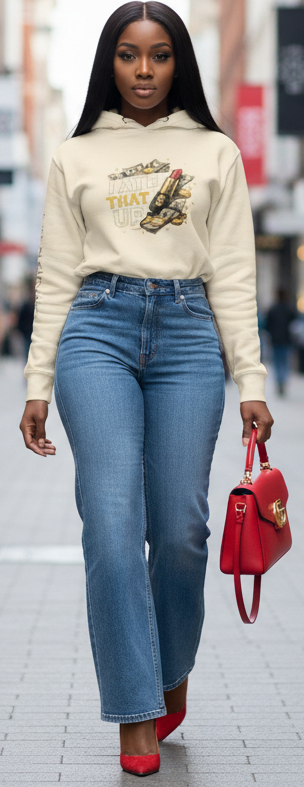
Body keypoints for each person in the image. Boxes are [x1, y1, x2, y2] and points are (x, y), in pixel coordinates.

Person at [19, 2, 273, 777]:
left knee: (183, 527)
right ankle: (137, 709)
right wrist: (35, 380)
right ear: (110, 61)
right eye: (128, 55)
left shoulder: (217, 152)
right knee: (111, 515)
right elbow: (56, 273)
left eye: (158, 56)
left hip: (190, 334)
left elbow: (232, 270)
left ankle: (170, 669)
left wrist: (253, 378)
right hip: (94, 331)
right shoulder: (75, 155)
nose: (142, 70)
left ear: (177, 64)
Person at [265, 288, 296, 395]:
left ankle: (279, 381)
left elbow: (267, 325)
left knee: (277, 362)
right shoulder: (289, 309)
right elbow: (294, 324)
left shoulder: (272, 309)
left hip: (275, 340)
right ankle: (283, 380)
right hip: (286, 340)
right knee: (285, 362)